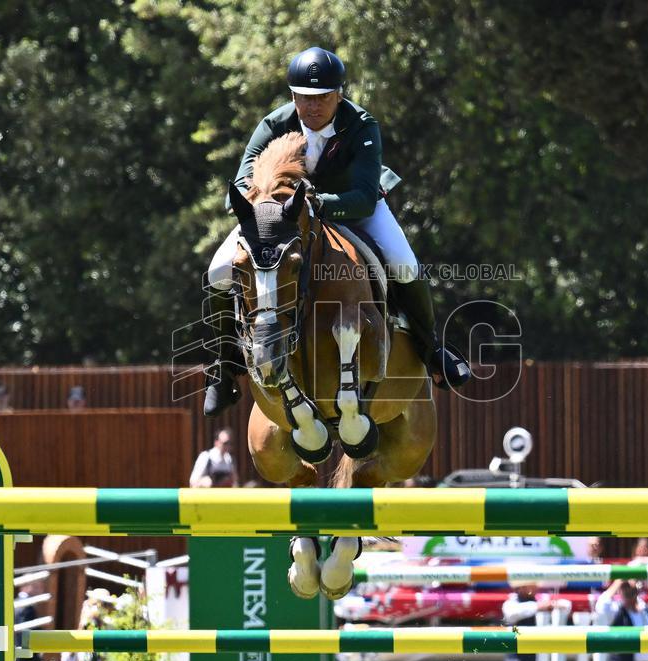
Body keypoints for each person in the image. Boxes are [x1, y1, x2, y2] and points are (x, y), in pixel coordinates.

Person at [202, 46, 471, 416]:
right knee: (218, 271)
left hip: (350, 209)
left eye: (323, 98)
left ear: (339, 94)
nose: (313, 107)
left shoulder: (361, 125)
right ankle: (226, 366)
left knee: (403, 263)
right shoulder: (273, 125)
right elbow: (239, 188)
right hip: (281, 219)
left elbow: (362, 197)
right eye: (304, 98)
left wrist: (317, 204)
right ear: (292, 96)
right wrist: (266, 210)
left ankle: (432, 349)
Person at [594, 579, 648, 661]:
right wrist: (618, 583)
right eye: (625, 586)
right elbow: (601, 607)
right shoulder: (617, 611)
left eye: (631, 585)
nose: (628, 589)